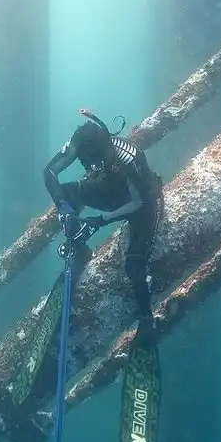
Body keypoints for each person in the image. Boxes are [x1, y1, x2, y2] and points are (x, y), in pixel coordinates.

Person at [44, 108, 164, 340]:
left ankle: (146, 318)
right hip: (113, 192)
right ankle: (80, 250)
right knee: (67, 194)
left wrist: (99, 221)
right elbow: (49, 172)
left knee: (133, 266)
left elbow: (139, 203)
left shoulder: (129, 158)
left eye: (99, 162)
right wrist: (64, 209)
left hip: (142, 204)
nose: (94, 167)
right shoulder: (78, 143)